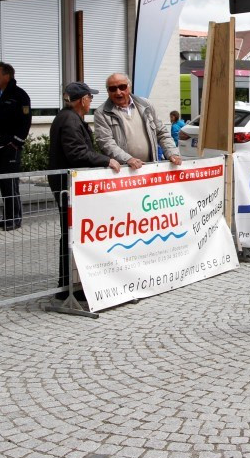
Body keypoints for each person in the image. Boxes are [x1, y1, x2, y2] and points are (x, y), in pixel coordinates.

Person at [49, 82, 121, 301]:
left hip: (70, 183)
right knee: (71, 233)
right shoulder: (69, 120)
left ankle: (73, 281)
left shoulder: (69, 117)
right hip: (67, 184)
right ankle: (67, 285)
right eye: (90, 97)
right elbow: (78, 153)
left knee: (74, 232)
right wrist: (106, 160)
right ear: (82, 100)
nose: (91, 101)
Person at [93, 72, 182, 169]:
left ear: (129, 87)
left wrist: (172, 153)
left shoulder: (146, 105)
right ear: (108, 91)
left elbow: (162, 133)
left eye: (122, 87)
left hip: (150, 168)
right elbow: (106, 142)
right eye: (113, 89)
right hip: (123, 171)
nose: (118, 92)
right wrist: (128, 159)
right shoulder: (102, 113)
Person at [0, 62, 31, 231]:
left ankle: (15, 218)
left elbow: (25, 121)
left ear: (7, 76)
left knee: (11, 183)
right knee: (3, 183)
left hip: (11, 146)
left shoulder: (19, 95)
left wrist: (16, 142)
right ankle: (7, 216)